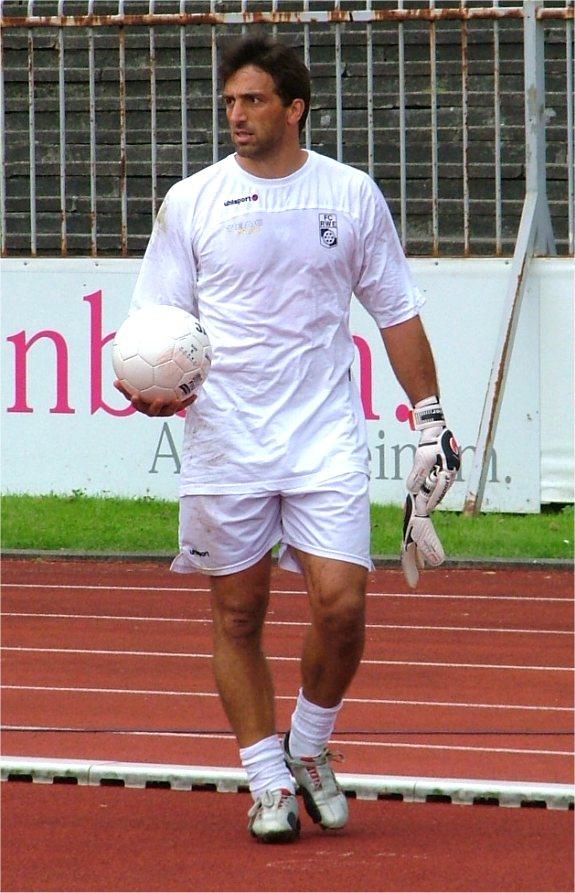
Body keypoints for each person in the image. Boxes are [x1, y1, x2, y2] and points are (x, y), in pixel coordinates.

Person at [115, 34, 459, 844]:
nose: (236, 114)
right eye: (229, 102)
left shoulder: (348, 193)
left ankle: (307, 743)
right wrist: (149, 392)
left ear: (294, 107)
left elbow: (395, 311)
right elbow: (153, 326)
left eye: (253, 100)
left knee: (342, 604)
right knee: (237, 612)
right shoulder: (191, 200)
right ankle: (266, 780)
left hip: (322, 435)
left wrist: (430, 418)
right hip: (225, 440)